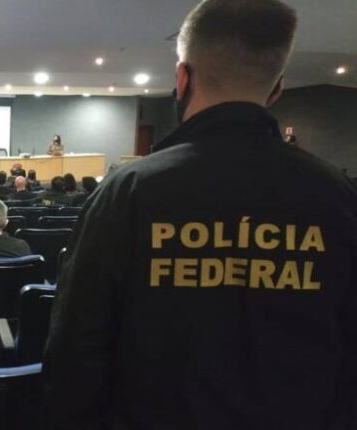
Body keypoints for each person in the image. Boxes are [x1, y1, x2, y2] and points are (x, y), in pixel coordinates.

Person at [44, 1, 357, 429]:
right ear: (277, 89)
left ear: (182, 78)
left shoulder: (125, 193)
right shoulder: (339, 198)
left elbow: (74, 354)